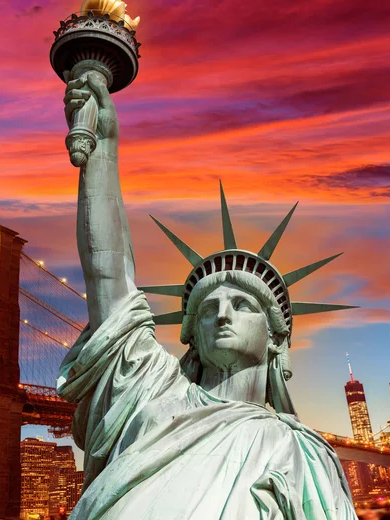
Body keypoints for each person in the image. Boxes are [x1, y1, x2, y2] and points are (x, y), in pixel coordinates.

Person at [57, 73, 358, 519]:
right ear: (191, 336)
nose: (222, 315)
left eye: (243, 305)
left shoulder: (302, 456)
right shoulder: (150, 396)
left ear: (277, 338)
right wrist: (103, 153)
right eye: (208, 310)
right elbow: (107, 272)